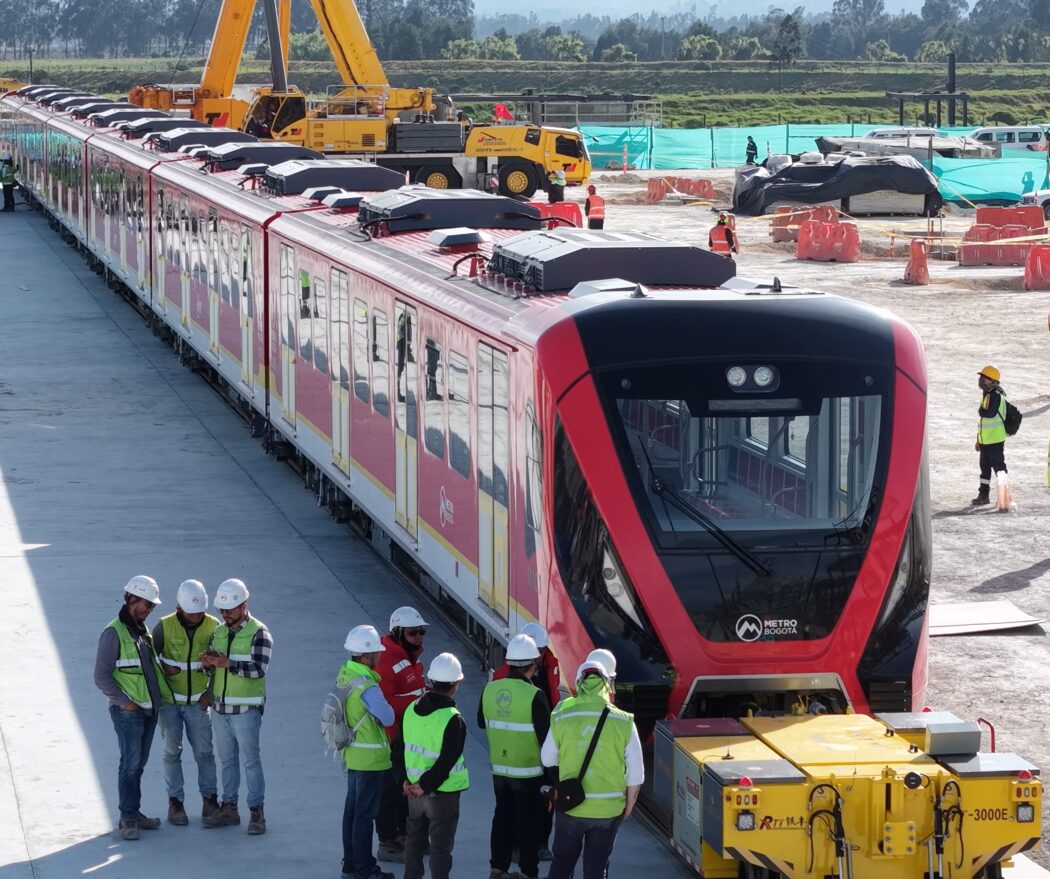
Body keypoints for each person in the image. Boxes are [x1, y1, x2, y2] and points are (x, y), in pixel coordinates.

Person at [542, 660, 644, 879]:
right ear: (607, 685)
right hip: (608, 810)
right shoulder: (624, 721)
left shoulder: (562, 717)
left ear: (579, 684)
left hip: (572, 806)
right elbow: (636, 772)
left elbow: (547, 758)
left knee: (562, 863)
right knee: (596, 866)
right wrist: (628, 807)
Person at [94, 575, 168, 841]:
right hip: (128, 712)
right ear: (132, 599)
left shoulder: (141, 631)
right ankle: (127, 818)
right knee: (129, 764)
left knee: (138, 764)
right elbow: (101, 676)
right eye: (147, 604)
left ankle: (134, 812)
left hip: (148, 710)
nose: (150, 610)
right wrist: (124, 701)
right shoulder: (113, 633)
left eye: (152, 606)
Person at [201, 578, 272, 835]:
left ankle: (257, 813)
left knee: (251, 762)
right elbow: (212, 671)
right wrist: (208, 664)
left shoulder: (259, 633)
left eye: (229, 610)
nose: (225, 615)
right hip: (220, 710)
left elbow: (258, 669)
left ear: (244, 605)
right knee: (227, 761)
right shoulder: (219, 632)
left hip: (245, 711)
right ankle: (229, 808)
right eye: (222, 610)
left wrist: (227, 663)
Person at [479, 634, 551, 879]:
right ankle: (528, 872)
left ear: (509, 662)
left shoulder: (490, 688)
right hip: (528, 772)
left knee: (502, 817)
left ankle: (497, 868)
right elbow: (546, 738)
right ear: (534, 663)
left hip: (500, 770)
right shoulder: (534, 695)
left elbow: (481, 721)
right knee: (530, 823)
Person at [153, 579, 220, 826]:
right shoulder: (163, 627)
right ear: (179, 608)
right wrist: (163, 671)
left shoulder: (214, 627)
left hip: (198, 704)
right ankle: (176, 803)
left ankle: (210, 801)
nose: (196, 617)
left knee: (205, 753)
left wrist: (209, 696)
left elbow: (221, 666)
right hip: (169, 704)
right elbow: (150, 660)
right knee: (172, 752)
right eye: (191, 613)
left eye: (200, 612)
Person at [402, 653, 469, 879]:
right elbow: (447, 760)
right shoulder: (453, 718)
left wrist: (405, 780)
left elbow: (401, 747)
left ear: (430, 681)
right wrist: (426, 784)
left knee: (414, 842)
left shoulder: (411, 709)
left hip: (413, 791)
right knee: (440, 848)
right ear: (456, 684)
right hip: (442, 794)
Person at [339, 625, 396, 879]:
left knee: (352, 812)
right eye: (376, 652)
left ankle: (350, 865)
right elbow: (388, 716)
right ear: (365, 656)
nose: (380, 655)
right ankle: (365, 869)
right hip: (370, 759)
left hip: (353, 754)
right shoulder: (367, 686)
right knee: (364, 816)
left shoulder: (345, 674)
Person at [375, 606, 429, 862]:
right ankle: (387, 842)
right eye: (412, 633)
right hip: (392, 738)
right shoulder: (386, 660)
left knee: (403, 789)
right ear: (397, 633)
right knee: (389, 791)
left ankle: (405, 835)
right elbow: (385, 703)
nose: (418, 637)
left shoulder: (410, 658)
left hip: (409, 738)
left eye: (421, 632)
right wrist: (418, 702)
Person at [973, 364, 1009, 505]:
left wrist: (981, 411)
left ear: (993, 381)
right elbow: (983, 421)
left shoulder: (995, 395)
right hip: (986, 440)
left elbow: (989, 414)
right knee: (985, 470)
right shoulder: (987, 394)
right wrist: (978, 440)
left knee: (999, 469)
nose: (981, 380)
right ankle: (983, 496)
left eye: (984, 378)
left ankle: (1005, 498)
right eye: (981, 377)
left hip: (995, 440)